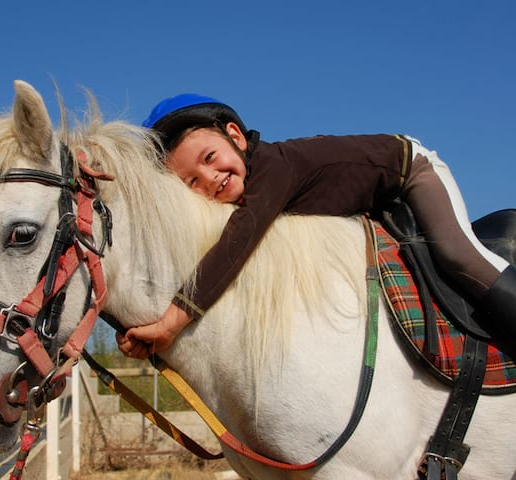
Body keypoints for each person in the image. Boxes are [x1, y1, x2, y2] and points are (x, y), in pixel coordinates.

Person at [116, 94, 516, 360]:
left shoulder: (272, 169)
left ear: (235, 136)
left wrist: (171, 322)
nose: (210, 178)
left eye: (209, 157)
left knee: (456, 254)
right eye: (192, 183)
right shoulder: (249, 191)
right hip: (372, 206)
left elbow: (234, 246)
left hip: (411, 173)